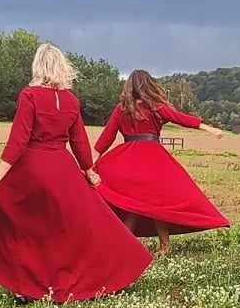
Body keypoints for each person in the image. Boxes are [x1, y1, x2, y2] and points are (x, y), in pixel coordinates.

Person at [0, 43, 150, 303]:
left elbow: (19, 139)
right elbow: (79, 140)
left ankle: (29, 287)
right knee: (69, 228)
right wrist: (88, 170)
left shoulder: (30, 95)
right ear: (62, 67)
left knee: (27, 228)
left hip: (32, 169)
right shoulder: (71, 100)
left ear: (38, 66)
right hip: (63, 169)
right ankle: (82, 278)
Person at [92, 70, 231, 254]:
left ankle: (127, 245)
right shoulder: (156, 107)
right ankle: (156, 246)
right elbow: (181, 118)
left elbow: (105, 139)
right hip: (152, 160)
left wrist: (91, 165)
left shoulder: (122, 109)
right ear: (149, 85)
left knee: (136, 203)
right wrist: (209, 128)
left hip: (128, 161)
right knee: (156, 203)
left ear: (130, 87)